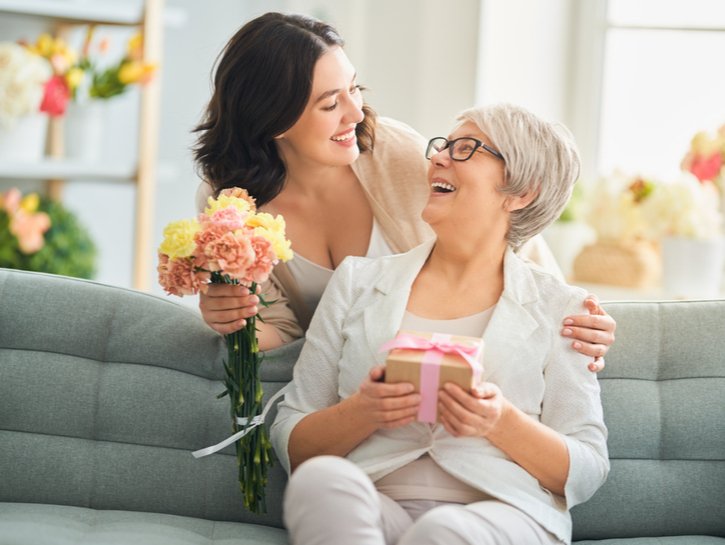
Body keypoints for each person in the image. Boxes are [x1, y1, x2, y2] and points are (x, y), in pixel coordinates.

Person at [193, 12, 615, 369]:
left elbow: (504, 228)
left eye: (353, 89)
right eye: (329, 104)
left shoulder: (394, 152)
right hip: (351, 380)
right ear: (274, 120)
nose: (355, 113)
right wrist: (233, 318)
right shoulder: (229, 205)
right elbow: (283, 333)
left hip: (452, 364)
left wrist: (571, 320)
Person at [270, 103, 609, 545]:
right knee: (320, 482)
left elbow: (587, 468)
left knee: (444, 530)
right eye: (443, 146)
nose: (438, 158)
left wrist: (499, 421)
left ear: (522, 192)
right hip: (374, 504)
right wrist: (363, 411)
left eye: (466, 149)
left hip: (504, 512)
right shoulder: (358, 281)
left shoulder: (562, 307)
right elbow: (291, 437)